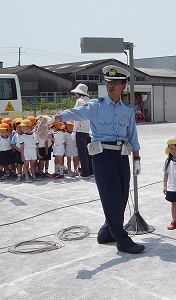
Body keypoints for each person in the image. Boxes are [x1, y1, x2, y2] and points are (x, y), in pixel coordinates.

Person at [44, 65, 144, 254]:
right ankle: (121, 239)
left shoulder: (127, 110)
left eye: (115, 82)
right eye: (108, 82)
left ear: (123, 85)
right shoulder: (96, 105)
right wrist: (54, 117)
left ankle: (106, 232)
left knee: (122, 197)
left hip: (122, 155)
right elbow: (75, 113)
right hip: (103, 155)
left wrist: (137, 158)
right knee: (111, 197)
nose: (111, 86)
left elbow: (133, 135)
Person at [71, 83, 93, 178]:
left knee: (82, 152)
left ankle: (85, 172)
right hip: (89, 130)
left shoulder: (79, 101)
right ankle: (91, 170)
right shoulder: (90, 101)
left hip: (80, 130)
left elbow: (76, 116)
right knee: (89, 153)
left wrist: (74, 131)